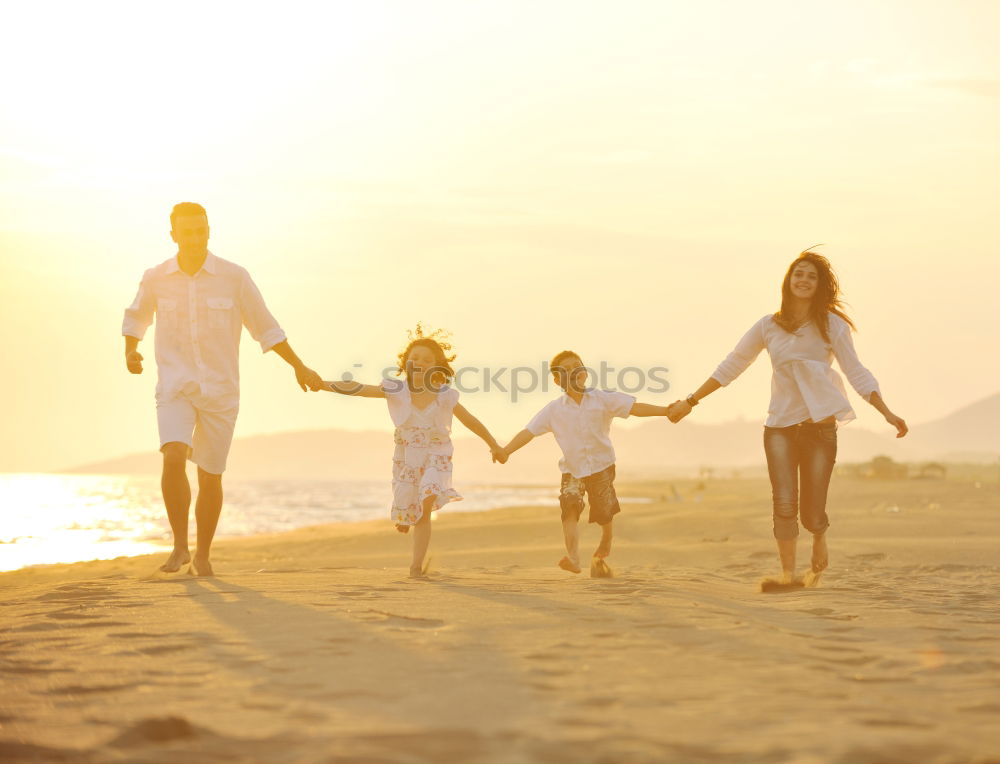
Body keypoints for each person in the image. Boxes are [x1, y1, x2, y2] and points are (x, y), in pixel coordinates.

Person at [667, 250, 908, 587]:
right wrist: (691, 400)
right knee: (783, 503)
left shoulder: (832, 326)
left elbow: (856, 372)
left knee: (812, 510)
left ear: (820, 285)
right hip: (779, 427)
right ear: (788, 281)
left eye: (811, 276)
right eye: (799, 274)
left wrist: (886, 412)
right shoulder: (768, 325)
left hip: (820, 429)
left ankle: (819, 536)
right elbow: (733, 364)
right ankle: (788, 575)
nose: (804, 280)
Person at [122, 202, 324, 576]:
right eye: (187, 232)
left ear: (209, 231)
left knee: (210, 475)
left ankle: (203, 554)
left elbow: (266, 327)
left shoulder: (234, 277)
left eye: (201, 230)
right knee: (173, 455)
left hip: (220, 390)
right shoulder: (155, 278)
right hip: (175, 385)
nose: (195, 238)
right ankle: (180, 545)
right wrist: (130, 351)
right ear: (174, 236)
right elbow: (136, 316)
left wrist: (299, 366)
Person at [322, 326, 505, 577]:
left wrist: (493, 444)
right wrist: (321, 384)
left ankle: (416, 566)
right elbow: (358, 388)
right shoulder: (396, 390)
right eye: (415, 358)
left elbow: (470, 421)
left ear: (437, 366)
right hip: (407, 455)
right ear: (406, 362)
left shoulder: (445, 395)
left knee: (426, 502)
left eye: (427, 360)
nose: (419, 362)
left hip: (437, 454)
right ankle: (405, 514)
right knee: (407, 497)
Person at [498, 350, 672, 578]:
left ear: (585, 372)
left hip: (602, 465)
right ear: (557, 380)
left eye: (576, 366)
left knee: (604, 511)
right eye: (566, 369)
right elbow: (528, 432)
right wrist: (506, 451)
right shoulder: (554, 409)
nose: (574, 371)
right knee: (569, 506)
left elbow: (634, 408)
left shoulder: (603, 399)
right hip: (572, 469)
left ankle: (606, 540)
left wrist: (666, 411)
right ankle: (574, 557)